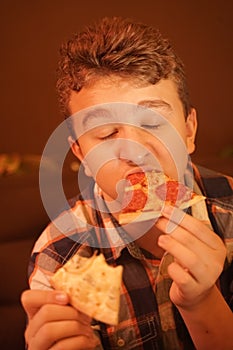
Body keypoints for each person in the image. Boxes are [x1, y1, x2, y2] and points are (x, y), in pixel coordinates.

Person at [21, 16, 233, 350]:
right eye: (106, 133)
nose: (134, 150)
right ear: (81, 156)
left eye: (152, 121)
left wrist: (203, 301)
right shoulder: (59, 254)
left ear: (189, 131)